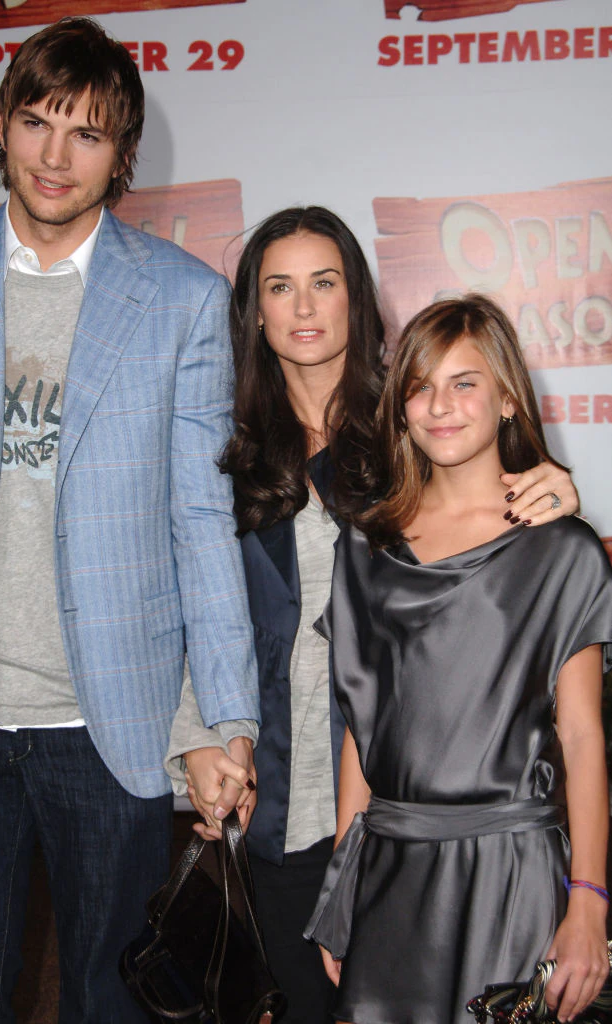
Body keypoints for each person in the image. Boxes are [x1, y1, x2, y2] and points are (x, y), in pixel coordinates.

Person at [0, 17, 258, 1023]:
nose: (56, 155)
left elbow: (199, 514)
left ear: (122, 152)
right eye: (37, 120)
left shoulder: (182, 300)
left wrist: (223, 717)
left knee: (111, 1001)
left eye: (86, 132)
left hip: (110, 724)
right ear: (4, 126)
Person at [163, 207, 580, 1024]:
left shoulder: (416, 420)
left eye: (326, 282)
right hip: (276, 787)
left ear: (358, 298)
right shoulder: (221, 440)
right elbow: (191, 604)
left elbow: (500, 549)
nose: (306, 307)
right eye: (280, 287)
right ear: (252, 309)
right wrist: (200, 735)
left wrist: (553, 486)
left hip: (404, 792)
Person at [306, 294, 612, 1024]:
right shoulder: (366, 547)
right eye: (419, 385)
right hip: (388, 871)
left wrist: (588, 904)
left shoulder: (560, 550)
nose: (438, 405)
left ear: (507, 397)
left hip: (513, 871)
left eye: (463, 382)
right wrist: (342, 885)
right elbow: (360, 725)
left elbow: (581, 740)